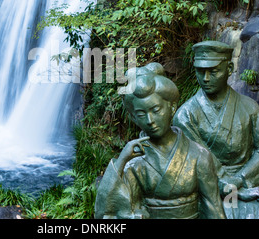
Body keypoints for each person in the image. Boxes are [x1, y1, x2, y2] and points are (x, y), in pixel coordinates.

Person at [94, 63, 226, 219]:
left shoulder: (199, 155)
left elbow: (213, 209)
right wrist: (122, 159)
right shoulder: (134, 163)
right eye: (141, 114)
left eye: (156, 110)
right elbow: (106, 212)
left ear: (172, 107)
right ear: (134, 117)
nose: (150, 120)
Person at [172, 41, 259, 219]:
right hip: (206, 189)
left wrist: (239, 179)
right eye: (200, 71)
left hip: (244, 182)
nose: (205, 78)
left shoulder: (249, 107)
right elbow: (197, 160)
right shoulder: (185, 115)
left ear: (229, 68)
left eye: (213, 72)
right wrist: (227, 186)